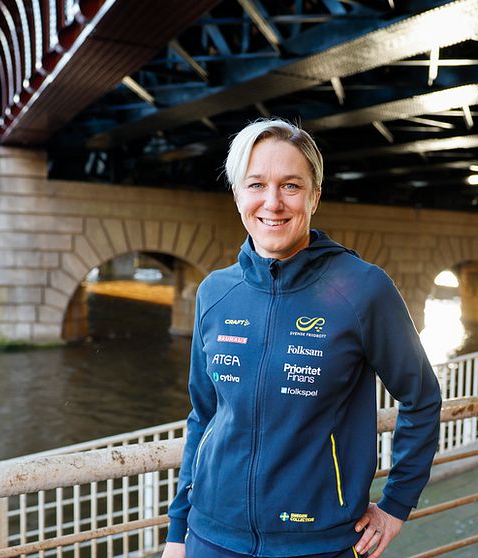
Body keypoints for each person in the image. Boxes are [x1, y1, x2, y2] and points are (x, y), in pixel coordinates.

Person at [162, 118, 442, 558]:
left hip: (318, 543)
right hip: (209, 537)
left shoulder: (362, 289)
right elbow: (204, 415)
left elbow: (421, 397)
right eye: (256, 184)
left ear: (315, 196)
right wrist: (179, 530)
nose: (272, 202)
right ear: (237, 194)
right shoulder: (215, 293)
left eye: (290, 186)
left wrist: (396, 504)